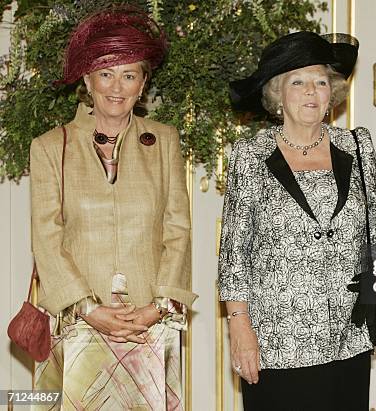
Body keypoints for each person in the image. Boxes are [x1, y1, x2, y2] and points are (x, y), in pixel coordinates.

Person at [30, 7, 197, 410]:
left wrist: (157, 308)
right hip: (77, 326)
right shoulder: (50, 147)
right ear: (87, 80)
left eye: (129, 74)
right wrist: (89, 309)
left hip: (149, 326)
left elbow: (178, 229)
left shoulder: (166, 141)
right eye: (106, 73)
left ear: (143, 84)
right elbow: (47, 238)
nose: (116, 87)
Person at [219, 31, 376, 411]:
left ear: (332, 91)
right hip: (278, 340)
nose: (311, 92)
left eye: (320, 81)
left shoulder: (357, 145)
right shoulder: (251, 154)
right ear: (277, 94)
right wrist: (239, 325)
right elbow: (235, 251)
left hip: (349, 335)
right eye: (297, 82)